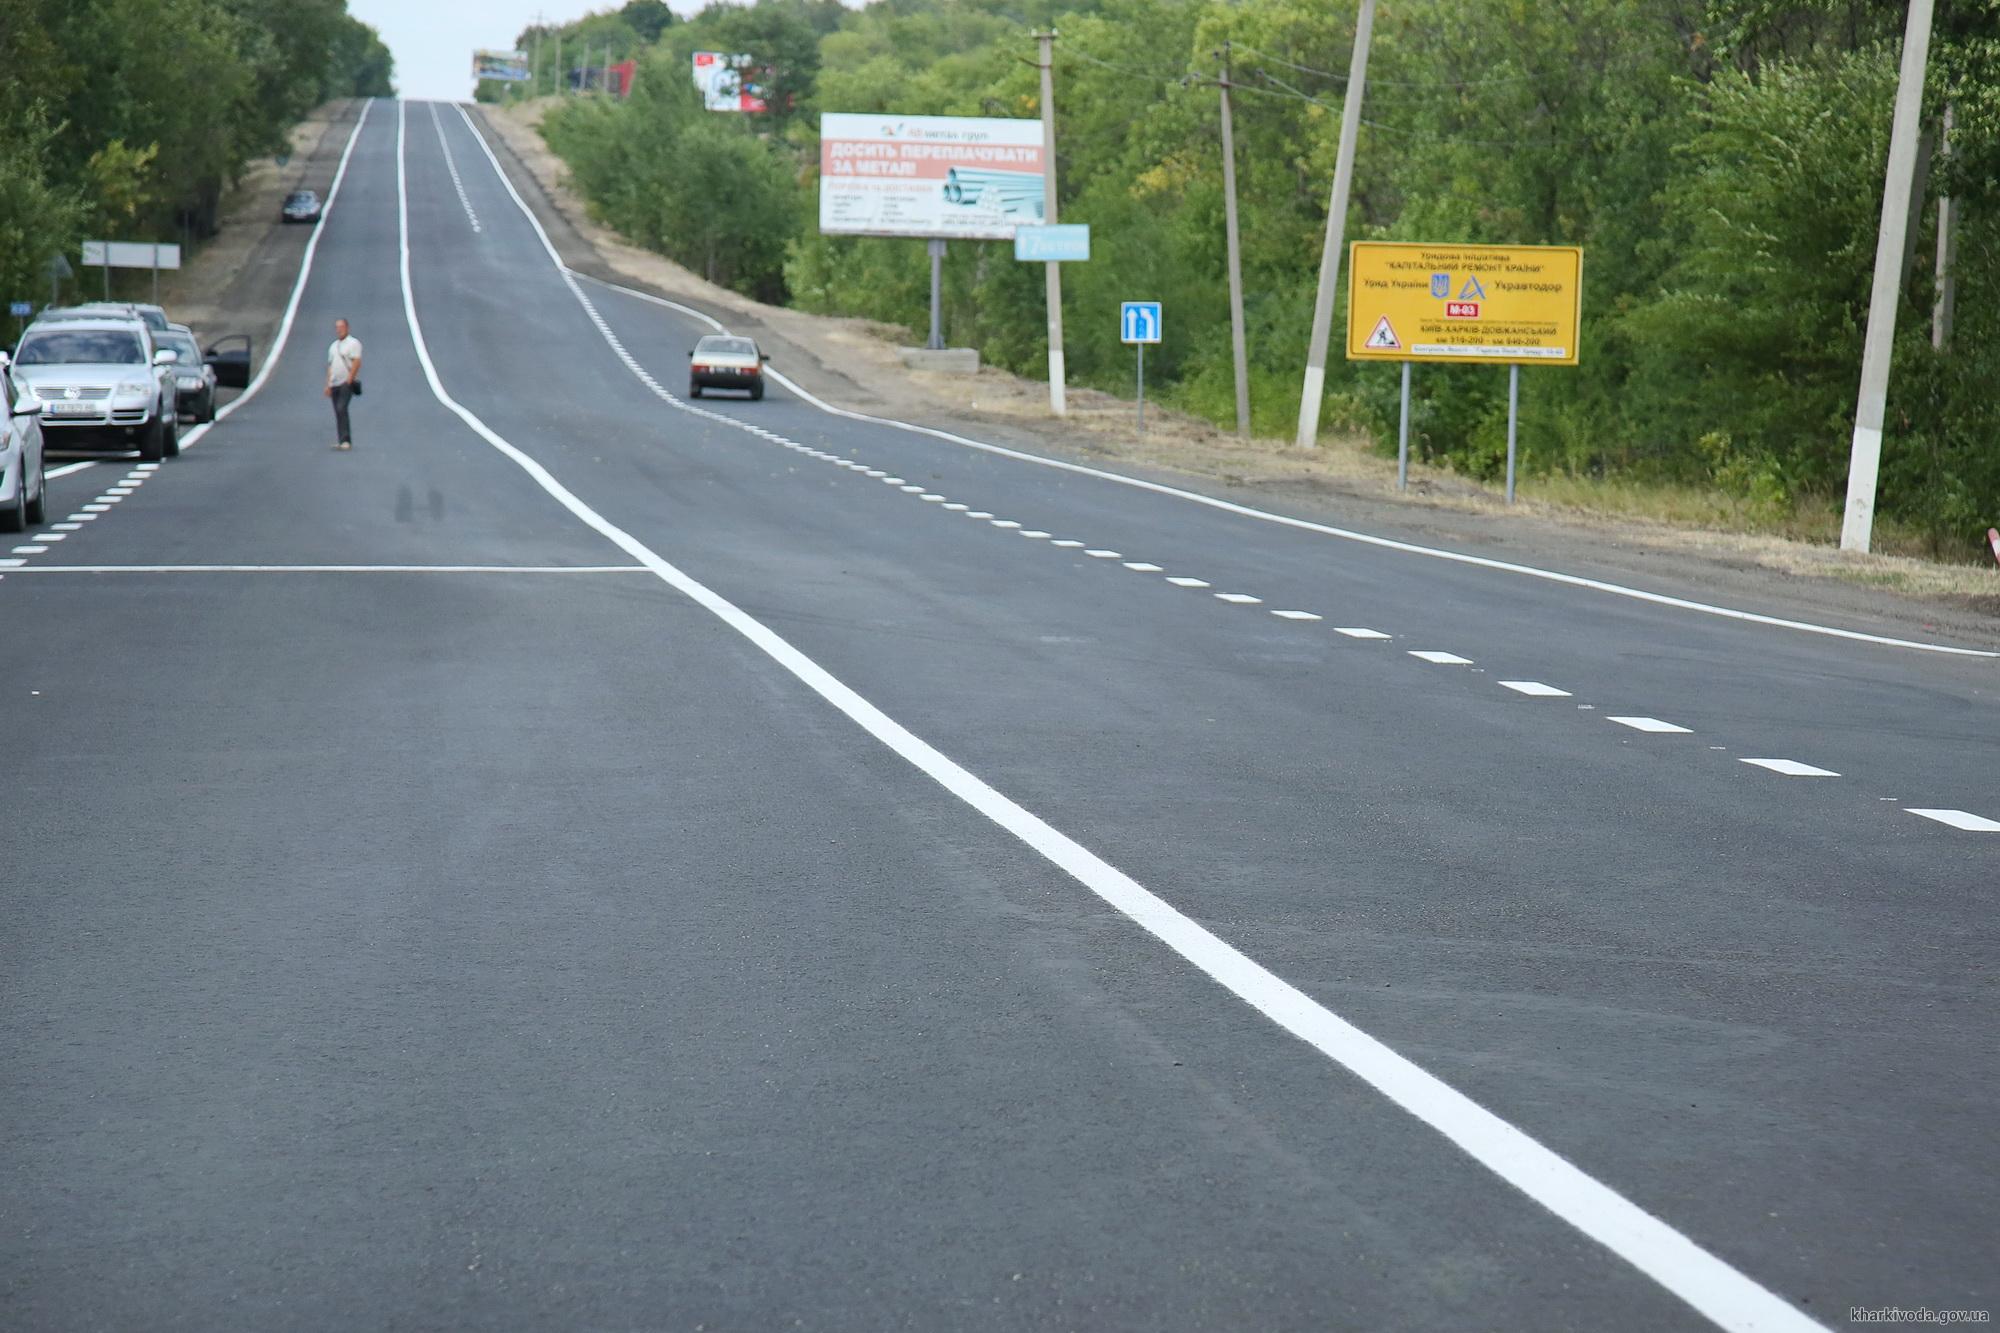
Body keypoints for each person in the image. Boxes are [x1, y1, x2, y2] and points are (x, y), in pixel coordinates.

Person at [325, 318, 363, 449]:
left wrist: (349, 379)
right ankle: (341, 440)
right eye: (337, 327)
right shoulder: (333, 346)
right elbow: (330, 366)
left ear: (347, 327)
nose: (339, 329)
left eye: (341, 327)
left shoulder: (353, 343)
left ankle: (346, 440)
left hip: (346, 382)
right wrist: (328, 384)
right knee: (338, 411)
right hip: (334, 383)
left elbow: (357, 361)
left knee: (342, 408)